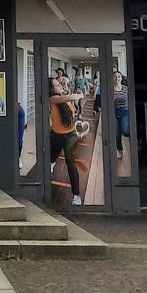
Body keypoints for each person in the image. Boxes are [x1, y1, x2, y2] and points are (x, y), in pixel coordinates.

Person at [49, 75, 83, 207]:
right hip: (56, 135)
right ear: (51, 89)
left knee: (70, 161)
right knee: (52, 157)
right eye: (56, 85)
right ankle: (52, 162)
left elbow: (72, 113)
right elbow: (67, 97)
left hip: (70, 135)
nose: (59, 86)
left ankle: (76, 195)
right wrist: (77, 95)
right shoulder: (52, 99)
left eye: (59, 84)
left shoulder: (65, 98)